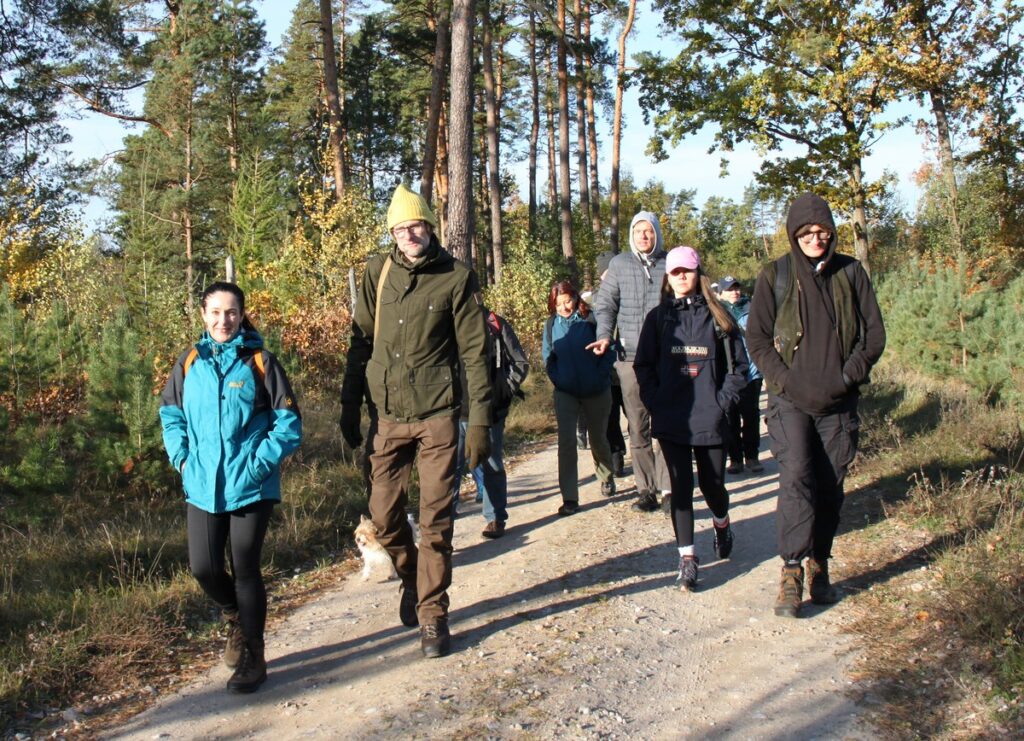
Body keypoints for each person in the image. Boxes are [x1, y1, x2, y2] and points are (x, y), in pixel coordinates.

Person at [339, 183, 492, 658]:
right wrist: (349, 404)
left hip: (438, 415)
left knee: (437, 522)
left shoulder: (456, 277)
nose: (409, 234)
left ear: (429, 226)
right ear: (393, 232)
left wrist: (480, 420)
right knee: (383, 519)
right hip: (387, 415)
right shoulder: (376, 272)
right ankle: (412, 577)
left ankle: (433, 615)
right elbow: (360, 340)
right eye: (400, 228)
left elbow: (475, 353)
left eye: (416, 225)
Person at [746, 192, 885, 618]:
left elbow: (873, 335)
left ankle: (819, 563)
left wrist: (848, 376)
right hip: (790, 402)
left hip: (839, 404)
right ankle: (790, 571)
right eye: (806, 231)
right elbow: (757, 339)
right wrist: (785, 380)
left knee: (830, 485)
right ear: (794, 234)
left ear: (831, 232)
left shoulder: (851, 273)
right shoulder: (776, 276)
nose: (814, 238)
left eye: (821, 231)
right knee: (796, 479)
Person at [159, 282, 302, 693]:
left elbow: (289, 424)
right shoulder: (189, 363)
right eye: (216, 312)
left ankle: (253, 658)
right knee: (203, 568)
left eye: (232, 312)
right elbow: (171, 415)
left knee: (245, 569)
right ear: (203, 314)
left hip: (251, 486)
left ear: (242, 315)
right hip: (202, 483)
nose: (224, 320)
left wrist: (259, 464)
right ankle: (234, 617)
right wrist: (183, 460)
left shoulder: (259, 362)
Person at [633, 247, 749, 591]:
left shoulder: (719, 318)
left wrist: (723, 401)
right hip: (673, 420)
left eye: (687, 271)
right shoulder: (657, 319)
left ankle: (721, 522)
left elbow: (739, 368)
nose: (681, 276)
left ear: (699, 274)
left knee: (713, 486)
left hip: (710, 418)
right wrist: (656, 401)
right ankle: (687, 558)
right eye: (675, 272)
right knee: (680, 491)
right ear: (667, 278)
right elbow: (643, 366)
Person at [589, 212, 672, 512]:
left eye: (648, 231)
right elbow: (606, 304)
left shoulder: (669, 263)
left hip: (665, 358)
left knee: (665, 424)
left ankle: (669, 489)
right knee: (638, 426)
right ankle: (646, 490)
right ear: (631, 235)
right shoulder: (619, 264)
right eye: (638, 231)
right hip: (631, 358)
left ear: (657, 234)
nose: (643, 236)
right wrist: (604, 335)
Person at [452, 306, 530, 538]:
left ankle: (495, 518)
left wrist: (503, 391)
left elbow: (520, 362)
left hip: (490, 409)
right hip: (454, 410)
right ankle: (442, 524)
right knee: (447, 467)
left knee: (491, 464)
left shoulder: (495, 323)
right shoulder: (447, 323)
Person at [542, 280, 617, 516]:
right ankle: (570, 498)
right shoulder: (551, 324)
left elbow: (609, 349)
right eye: (558, 304)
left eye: (567, 301)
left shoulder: (590, 319)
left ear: (575, 299)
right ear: (552, 305)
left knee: (597, 438)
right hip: (566, 392)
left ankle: (605, 475)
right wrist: (558, 379)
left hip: (597, 389)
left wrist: (600, 374)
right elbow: (548, 356)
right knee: (566, 443)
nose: (564, 307)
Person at [718, 276, 765, 475]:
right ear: (720, 293)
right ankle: (735, 459)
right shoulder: (717, 312)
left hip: (752, 373)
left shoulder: (752, 309)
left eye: (736, 288)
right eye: (729, 289)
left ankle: (752, 457)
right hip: (728, 375)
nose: (734, 292)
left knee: (751, 416)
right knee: (730, 419)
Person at [593, 250, 627, 477]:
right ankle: (617, 457)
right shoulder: (593, 303)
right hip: (606, 371)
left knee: (637, 416)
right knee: (611, 418)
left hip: (630, 365)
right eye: (607, 271)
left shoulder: (629, 295)